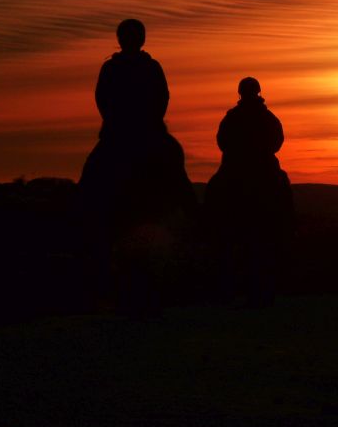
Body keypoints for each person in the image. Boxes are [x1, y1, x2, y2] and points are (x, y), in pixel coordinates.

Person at [78, 19, 196, 314]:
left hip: (125, 130)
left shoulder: (119, 68)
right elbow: (160, 97)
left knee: (93, 174)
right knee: (174, 166)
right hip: (138, 128)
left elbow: (103, 99)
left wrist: (121, 119)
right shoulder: (141, 67)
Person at [206, 77, 293, 307]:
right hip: (257, 165)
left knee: (215, 188)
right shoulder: (267, 118)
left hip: (238, 166)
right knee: (281, 187)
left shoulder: (233, 118)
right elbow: (277, 141)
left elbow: (222, 141)